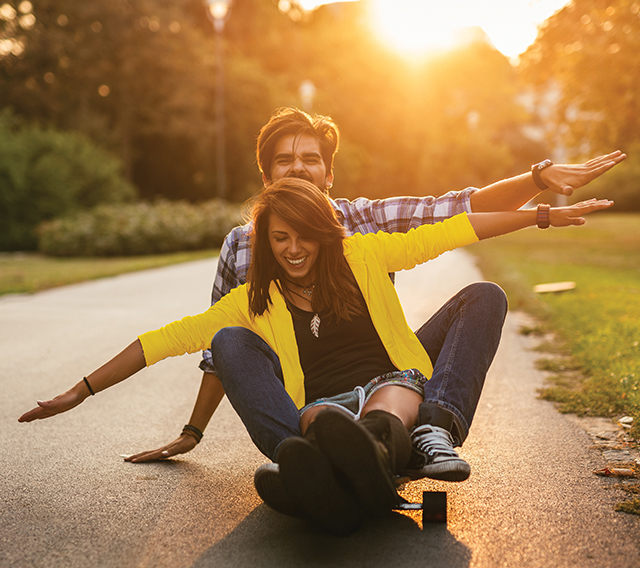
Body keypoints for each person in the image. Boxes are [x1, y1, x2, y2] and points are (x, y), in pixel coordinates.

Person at [19, 178, 614, 535]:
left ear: (324, 230)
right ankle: (316, 464)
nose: (294, 248)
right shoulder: (256, 302)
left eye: (304, 235)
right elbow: (161, 341)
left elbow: (456, 230)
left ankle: (427, 436)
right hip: (323, 415)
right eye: (280, 239)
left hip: (395, 394)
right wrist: (81, 390)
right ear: (267, 243)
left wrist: (537, 213)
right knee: (228, 346)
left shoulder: (366, 256)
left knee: (479, 300)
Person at [124, 108, 625, 487]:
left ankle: (431, 431)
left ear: (329, 174)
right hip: (311, 398)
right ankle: (308, 456)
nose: (298, 168)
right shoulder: (242, 244)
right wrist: (193, 430)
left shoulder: (365, 221)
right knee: (240, 345)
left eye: (310, 159)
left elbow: (459, 212)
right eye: (284, 160)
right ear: (266, 178)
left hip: (393, 377)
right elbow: (224, 349)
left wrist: (537, 181)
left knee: (482, 296)